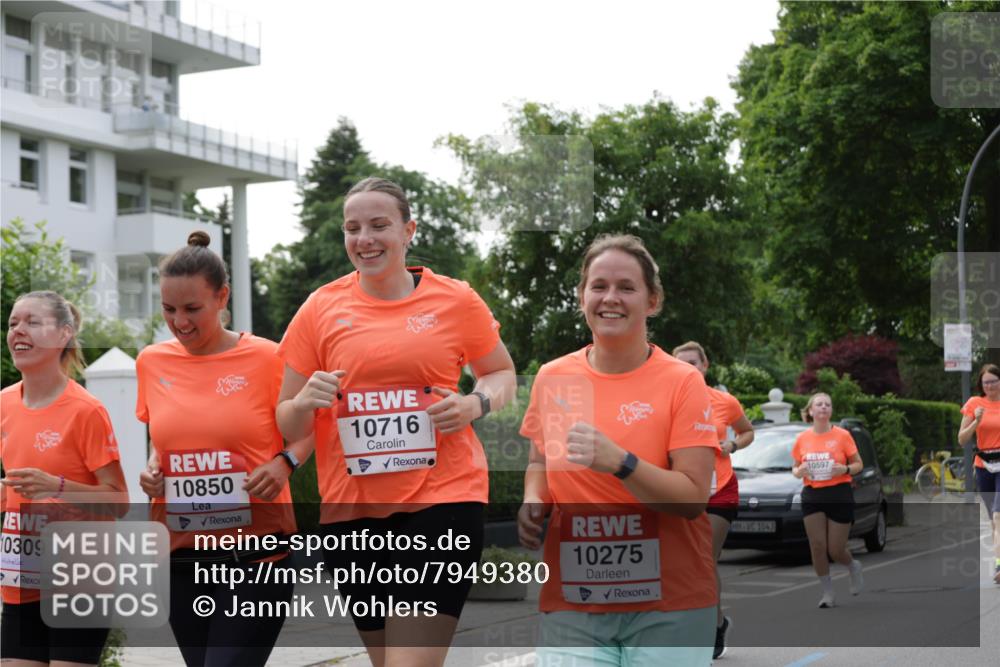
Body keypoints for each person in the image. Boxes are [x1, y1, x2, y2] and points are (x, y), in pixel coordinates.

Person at [275, 177, 516, 667]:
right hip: (352, 514)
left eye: (379, 225)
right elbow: (285, 419)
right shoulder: (320, 308)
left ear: (408, 230)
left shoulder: (455, 299)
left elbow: (501, 373)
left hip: (443, 499)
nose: (364, 239)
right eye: (352, 228)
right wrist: (305, 402)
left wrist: (475, 404)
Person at [518, 234, 719, 667]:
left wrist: (622, 463)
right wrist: (533, 500)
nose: (611, 298)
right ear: (581, 296)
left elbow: (692, 499)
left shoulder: (683, 382)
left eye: (626, 287)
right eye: (599, 286)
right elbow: (540, 462)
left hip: (671, 604)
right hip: (574, 603)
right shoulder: (553, 379)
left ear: (653, 301)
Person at [136, 232, 310, 666]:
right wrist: (152, 469)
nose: (180, 322)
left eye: (193, 308)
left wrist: (284, 463)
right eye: (169, 309)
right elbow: (165, 440)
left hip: (256, 558)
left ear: (222, 297)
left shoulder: (269, 359)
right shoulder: (151, 363)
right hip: (181, 560)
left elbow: (310, 431)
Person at [1, 291, 128, 666]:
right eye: (12, 323)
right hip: (22, 578)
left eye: (32, 322)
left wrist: (55, 486)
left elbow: (119, 501)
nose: (18, 331)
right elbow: (15, 494)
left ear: (63, 335)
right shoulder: (4, 404)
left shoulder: (86, 411)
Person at [671, 341, 753, 659]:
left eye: (693, 362)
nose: (688, 368)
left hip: (719, 491)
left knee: (704, 559)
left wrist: (731, 446)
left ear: (704, 366)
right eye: (681, 363)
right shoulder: (668, 402)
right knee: (683, 562)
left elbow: (747, 432)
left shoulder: (723, 401)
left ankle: (708, 627)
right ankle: (713, 620)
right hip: (682, 489)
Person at [791, 392, 864, 608]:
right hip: (812, 494)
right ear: (811, 411)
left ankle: (852, 566)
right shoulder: (802, 438)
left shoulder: (843, 435)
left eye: (827, 405)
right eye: (819, 404)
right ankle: (827, 591)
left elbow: (859, 464)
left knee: (835, 549)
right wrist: (798, 471)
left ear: (830, 411)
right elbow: (795, 467)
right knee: (817, 545)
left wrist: (845, 469)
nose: (823, 407)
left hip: (839, 492)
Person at [958, 363, 1000, 584]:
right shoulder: (974, 403)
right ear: (981, 384)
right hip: (984, 465)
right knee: (995, 520)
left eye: (994, 381)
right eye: (986, 382)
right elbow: (962, 439)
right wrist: (976, 421)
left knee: (998, 515)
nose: (990, 386)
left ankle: (999, 565)